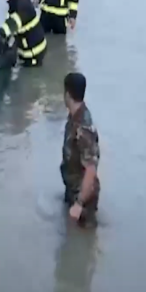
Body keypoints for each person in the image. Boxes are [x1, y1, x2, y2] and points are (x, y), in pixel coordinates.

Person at [60, 72, 100, 228]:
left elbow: (91, 169)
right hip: (72, 188)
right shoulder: (74, 116)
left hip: (83, 199)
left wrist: (79, 204)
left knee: (84, 243)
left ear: (68, 94)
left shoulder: (83, 128)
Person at [0, 0, 47, 67]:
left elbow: (12, 24)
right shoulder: (15, 0)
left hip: (33, 54)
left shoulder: (22, 4)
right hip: (26, 47)